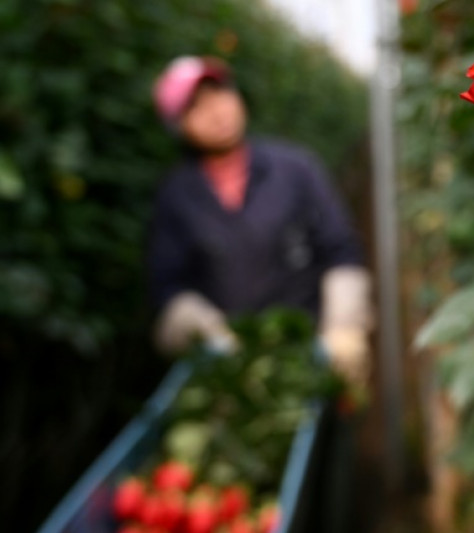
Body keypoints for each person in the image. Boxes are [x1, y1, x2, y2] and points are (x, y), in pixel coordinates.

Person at [147, 56, 372, 392]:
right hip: (233, 370)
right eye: (196, 106)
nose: (216, 111)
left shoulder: (296, 169)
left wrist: (343, 325)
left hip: (312, 349)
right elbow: (168, 285)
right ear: (179, 126)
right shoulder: (176, 196)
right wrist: (205, 328)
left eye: (219, 94)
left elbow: (341, 250)